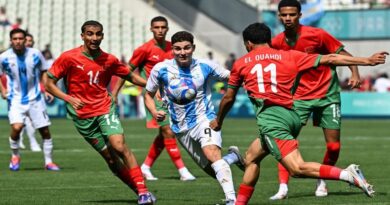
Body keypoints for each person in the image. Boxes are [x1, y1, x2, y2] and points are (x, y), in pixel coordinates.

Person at [210, 22, 387, 205]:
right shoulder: (290, 56)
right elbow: (331, 58)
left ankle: (347, 174)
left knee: (297, 168)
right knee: (251, 159)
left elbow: (228, 98)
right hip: (292, 115)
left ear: (248, 44)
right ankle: (238, 203)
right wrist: (367, 61)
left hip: (272, 120)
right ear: (269, 40)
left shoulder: (240, 64)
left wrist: (219, 120)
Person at [44, 20, 156, 205]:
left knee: (119, 146)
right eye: (90, 34)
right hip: (82, 117)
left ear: (102, 36)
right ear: (82, 36)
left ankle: (143, 192)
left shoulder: (109, 59)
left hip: (104, 108)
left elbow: (128, 75)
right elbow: (49, 83)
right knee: (111, 160)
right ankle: (140, 191)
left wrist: (153, 83)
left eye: (98, 34)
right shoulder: (68, 57)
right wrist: (68, 98)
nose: (94, 38)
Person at [270, 0, 362, 199]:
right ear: (279, 16)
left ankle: (322, 179)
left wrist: (354, 73)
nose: (288, 18)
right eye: (284, 15)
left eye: (292, 14)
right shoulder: (277, 42)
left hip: (328, 96)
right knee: (287, 142)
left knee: (333, 146)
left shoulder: (317, 35)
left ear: (300, 15)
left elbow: (344, 55)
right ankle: (283, 187)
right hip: (299, 98)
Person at [145, 31, 245, 205]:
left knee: (212, 154)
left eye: (186, 48)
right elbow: (148, 94)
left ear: (193, 48)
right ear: (172, 50)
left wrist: (252, 80)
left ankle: (232, 200)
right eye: (177, 49)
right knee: (210, 168)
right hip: (180, 128)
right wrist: (154, 111)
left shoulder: (205, 66)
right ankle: (232, 158)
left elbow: (232, 76)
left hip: (204, 119)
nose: (182, 52)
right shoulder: (160, 69)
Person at [112, 16, 195, 181]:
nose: (160, 30)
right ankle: (183, 171)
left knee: (165, 133)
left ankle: (146, 167)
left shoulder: (174, 48)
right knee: (168, 131)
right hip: (155, 96)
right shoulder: (144, 49)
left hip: (174, 96)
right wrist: (115, 93)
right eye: (156, 27)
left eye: (163, 27)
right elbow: (126, 71)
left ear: (167, 29)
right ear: (151, 29)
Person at [0, 28, 60, 171]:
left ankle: (49, 162)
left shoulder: (35, 54)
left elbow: (44, 70)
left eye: (21, 38)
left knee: (45, 131)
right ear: (11, 41)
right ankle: (15, 156)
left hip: (36, 99)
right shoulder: (4, 57)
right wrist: (3, 90)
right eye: (15, 39)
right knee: (17, 127)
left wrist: (47, 88)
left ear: (25, 40)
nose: (18, 41)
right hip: (15, 100)